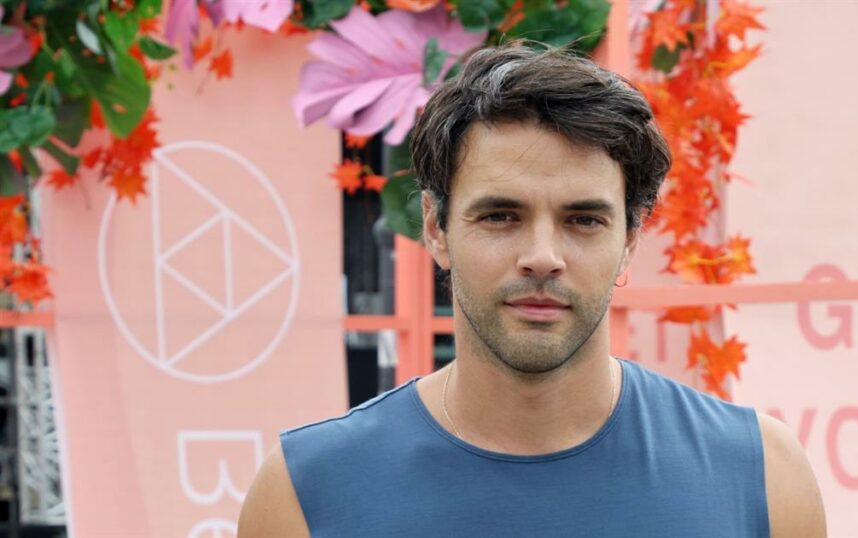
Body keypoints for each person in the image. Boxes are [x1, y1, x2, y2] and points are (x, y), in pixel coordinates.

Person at [238, 45, 826, 537]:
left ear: (629, 239)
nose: (543, 256)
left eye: (583, 220)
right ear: (436, 228)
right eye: (500, 216)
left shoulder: (761, 476)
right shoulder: (308, 492)